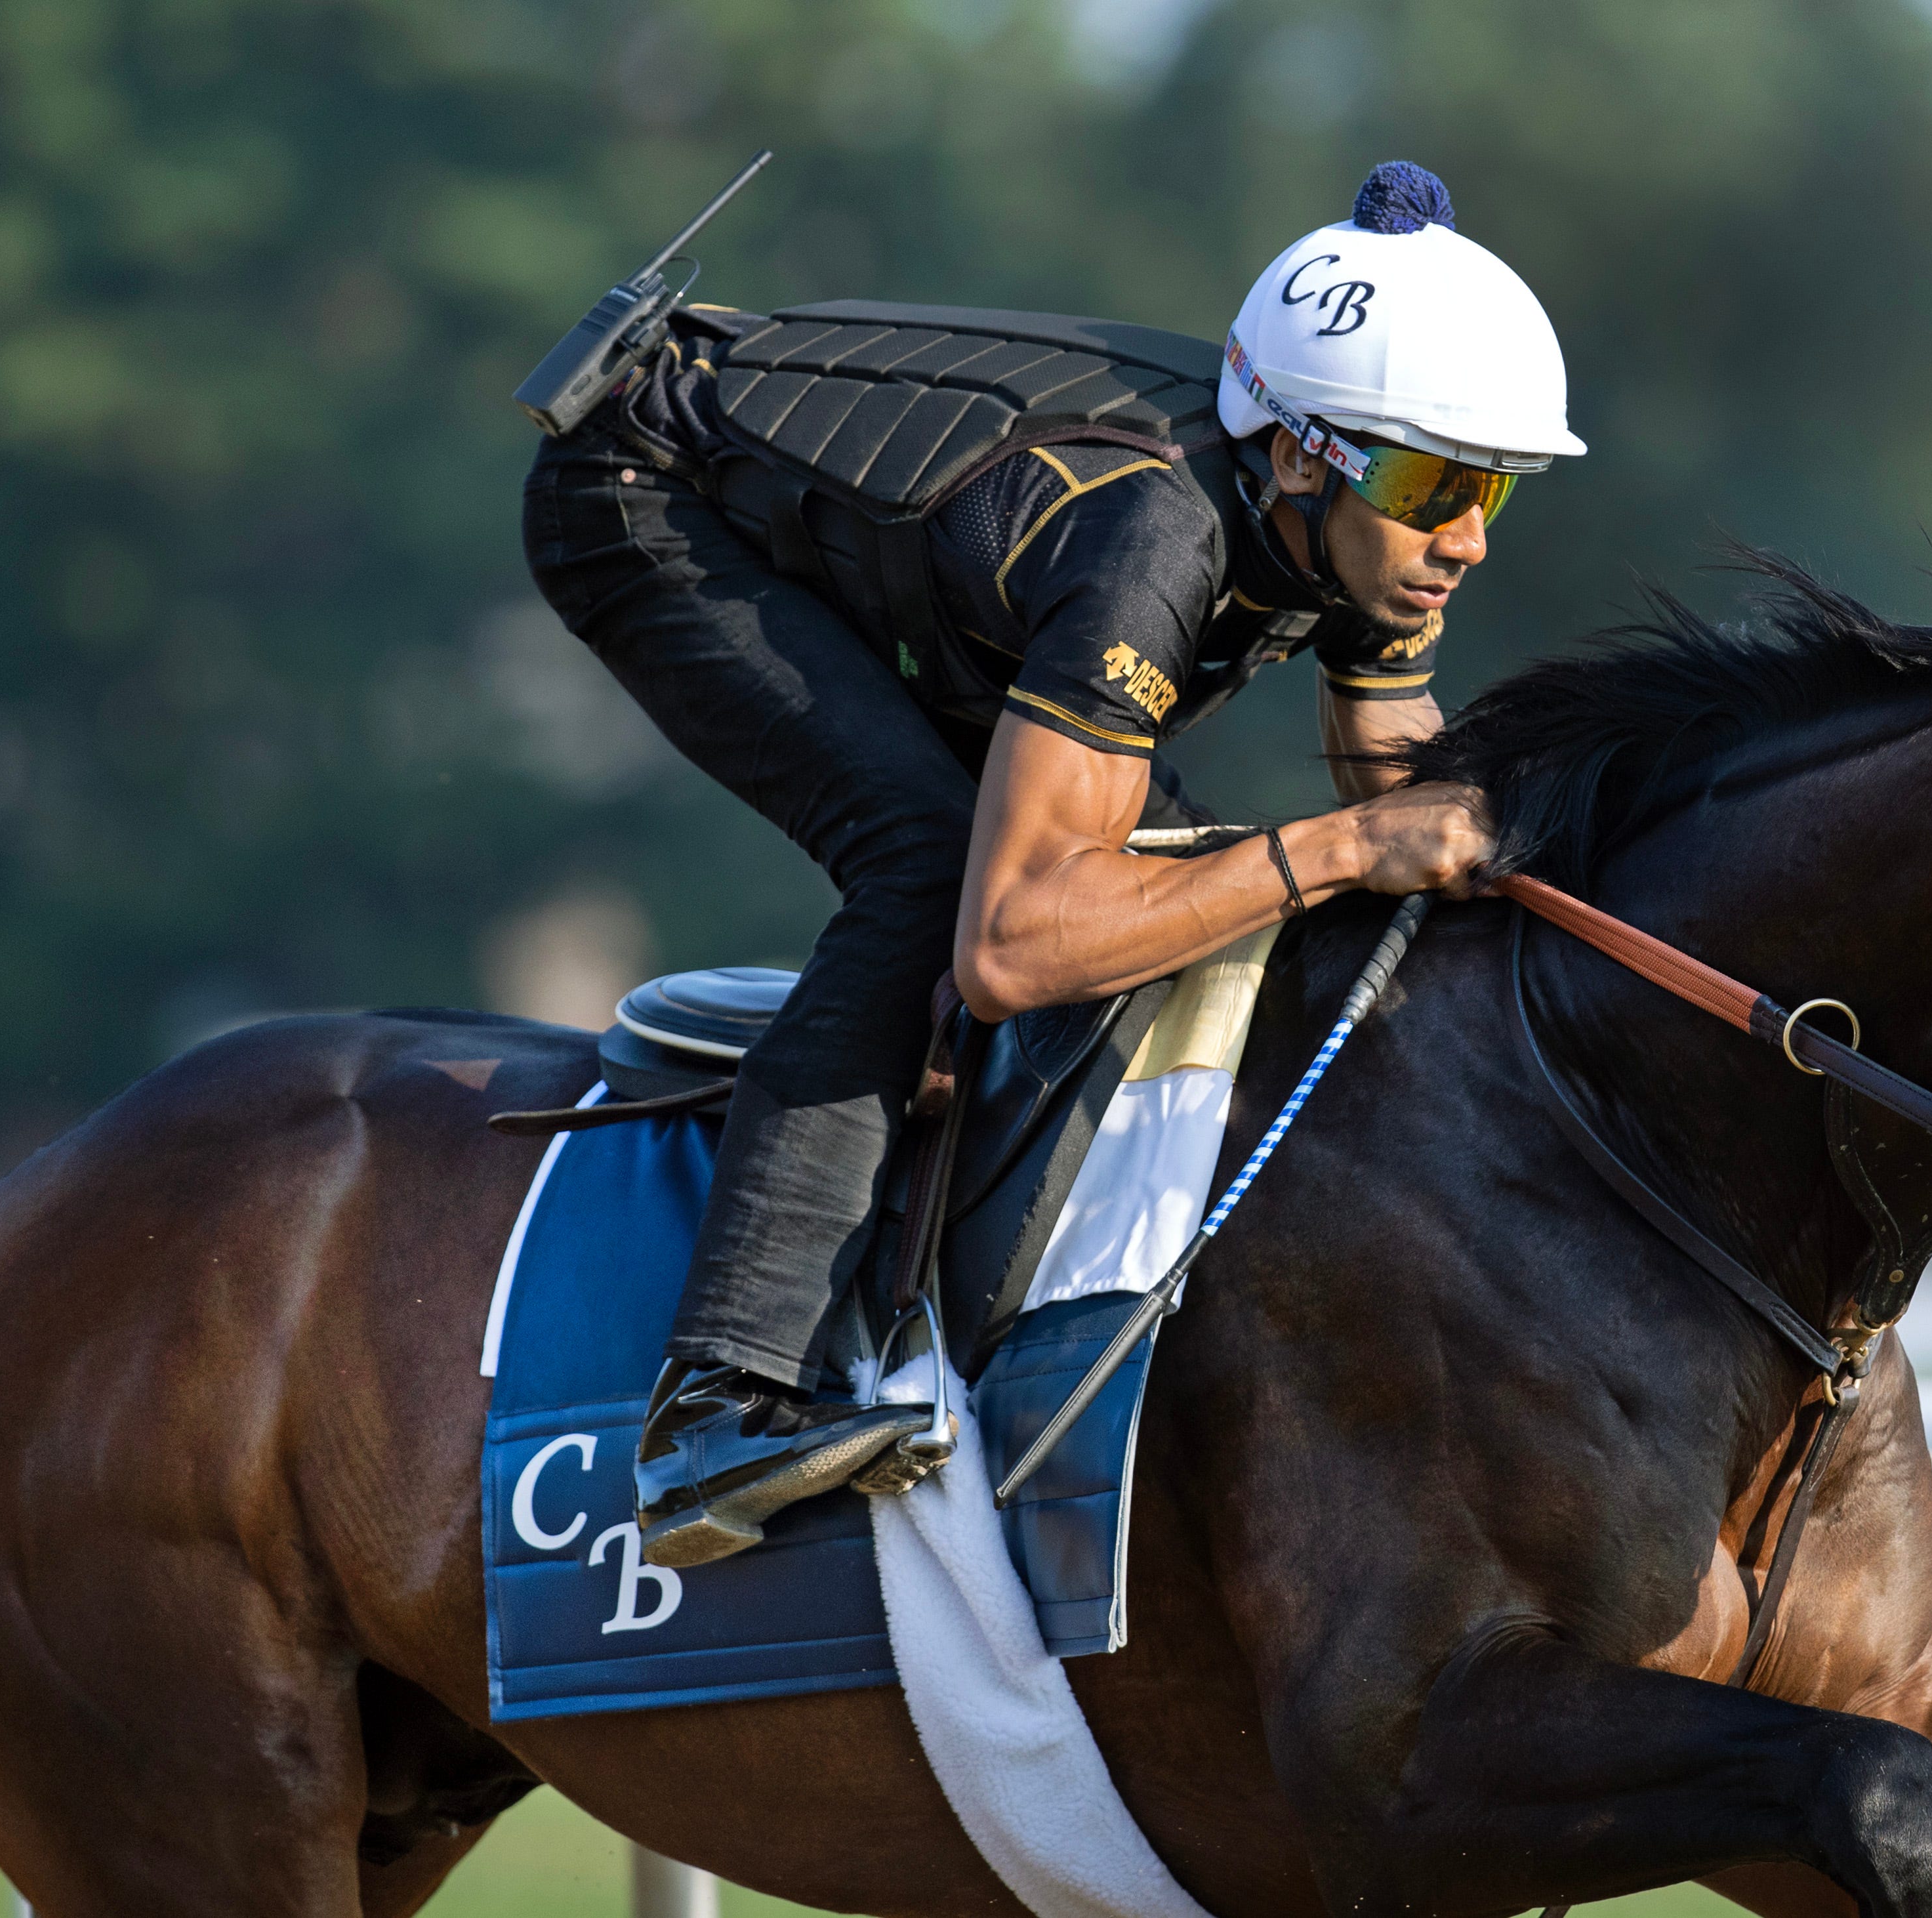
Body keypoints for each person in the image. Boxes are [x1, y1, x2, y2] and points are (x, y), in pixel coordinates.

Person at [522, 161, 1582, 1567]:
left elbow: (1395, 767)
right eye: (1437, 484)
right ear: (1297, 452)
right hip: (642, 487)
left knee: (1165, 876)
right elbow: (1013, 942)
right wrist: (1338, 846)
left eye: (1495, 487)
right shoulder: (1150, 538)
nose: (1468, 538)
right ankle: (718, 1399)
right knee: (932, 867)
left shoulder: (1349, 520)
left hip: (910, 565)